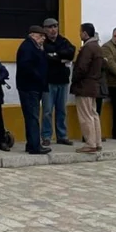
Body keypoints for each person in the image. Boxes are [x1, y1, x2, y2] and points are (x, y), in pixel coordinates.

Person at [41, 18, 76, 147]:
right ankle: (46, 136)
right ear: (45, 29)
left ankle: (62, 136)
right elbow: (46, 57)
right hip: (49, 81)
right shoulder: (43, 42)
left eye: (55, 26)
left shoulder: (63, 41)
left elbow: (71, 52)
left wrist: (55, 55)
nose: (53, 29)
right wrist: (61, 58)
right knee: (47, 111)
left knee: (62, 110)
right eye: (50, 27)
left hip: (63, 81)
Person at [16, 24, 50, 155]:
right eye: (41, 36)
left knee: (32, 116)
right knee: (33, 117)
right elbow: (27, 68)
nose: (43, 39)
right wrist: (39, 77)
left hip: (33, 87)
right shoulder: (27, 47)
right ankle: (35, 146)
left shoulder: (35, 47)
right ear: (33, 35)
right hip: (30, 87)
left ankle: (31, 144)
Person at [71, 23, 104, 154]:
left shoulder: (88, 48)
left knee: (86, 116)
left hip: (84, 85)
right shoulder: (97, 47)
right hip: (93, 85)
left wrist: (75, 79)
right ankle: (97, 142)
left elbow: (81, 68)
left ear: (85, 33)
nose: (80, 34)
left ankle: (90, 143)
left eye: (81, 32)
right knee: (93, 114)